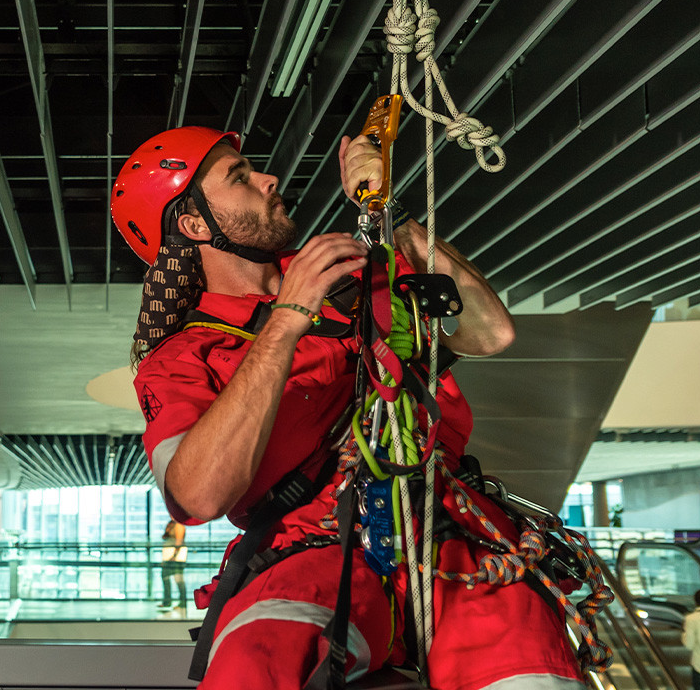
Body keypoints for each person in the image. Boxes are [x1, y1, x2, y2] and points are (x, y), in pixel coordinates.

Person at [117, 126, 584, 690]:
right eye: (239, 178)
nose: (269, 179)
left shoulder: (351, 274)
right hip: (311, 547)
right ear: (195, 225)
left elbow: (489, 333)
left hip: (448, 533)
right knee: (258, 663)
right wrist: (288, 320)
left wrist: (394, 215)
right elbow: (196, 496)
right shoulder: (182, 359)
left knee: (535, 680)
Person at [161, 519, 189, 613]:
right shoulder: (172, 524)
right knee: (166, 577)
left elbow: (179, 542)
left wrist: (174, 556)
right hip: (169, 556)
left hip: (175, 558)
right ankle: (167, 601)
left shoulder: (179, 525)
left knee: (178, 579)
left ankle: (182, 602)